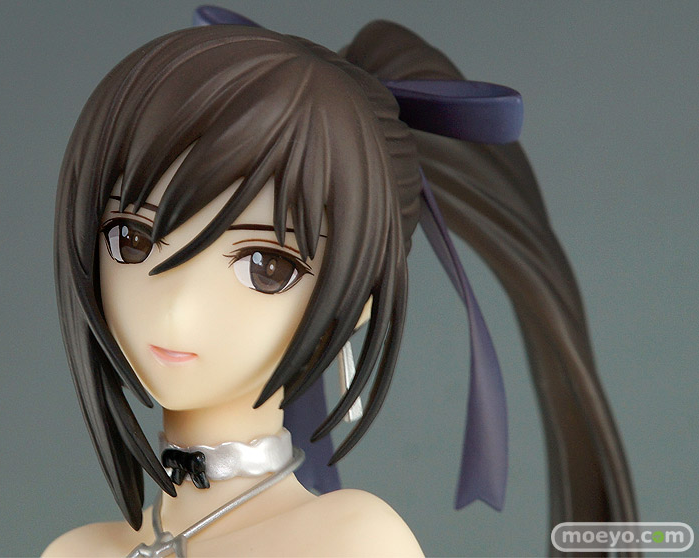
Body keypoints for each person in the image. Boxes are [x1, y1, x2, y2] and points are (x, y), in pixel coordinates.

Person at [46, 8, 636, 557]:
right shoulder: (77, 552)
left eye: (266, 267)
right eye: (131, 239)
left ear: (355, 304)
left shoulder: (351, 543)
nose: (177, 308)